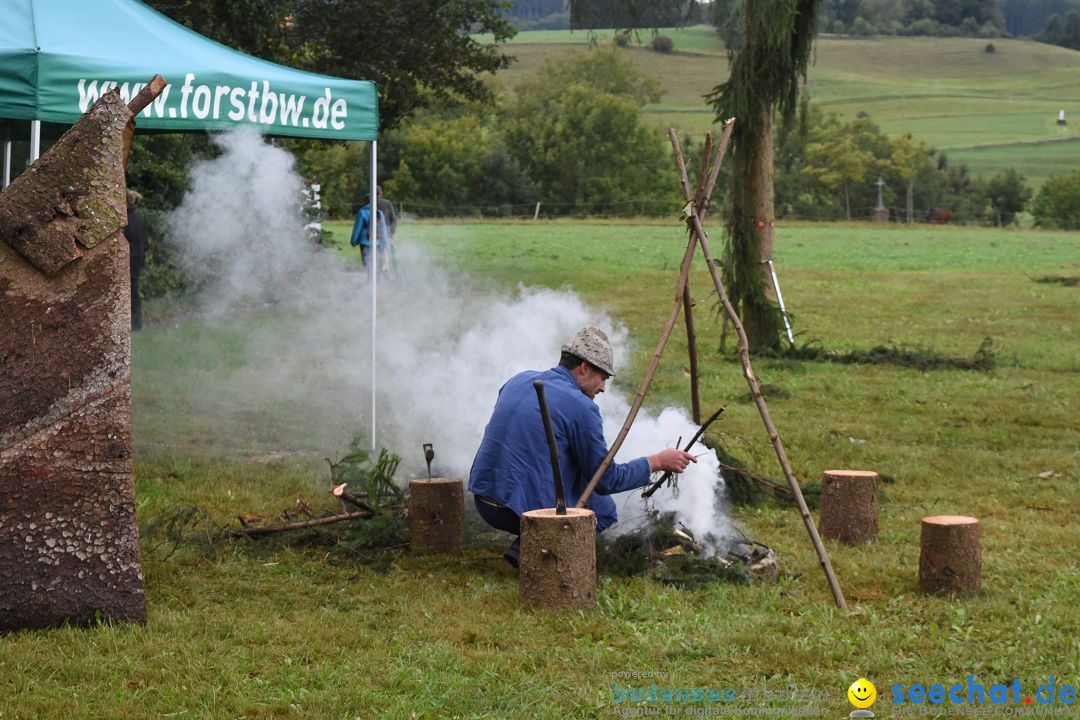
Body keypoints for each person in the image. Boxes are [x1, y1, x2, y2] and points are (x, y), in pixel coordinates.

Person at [468, 326, 696, 567]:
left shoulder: (518, 379)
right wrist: (657, 462)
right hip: (517, 513)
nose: (603, 388)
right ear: (584, 368)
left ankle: (527, 541)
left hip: (484, 499)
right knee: (603, 510)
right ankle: (541, 545)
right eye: (603, 378)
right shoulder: (581, 406)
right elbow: (606, 480)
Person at [122, 190, 149, 331]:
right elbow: (145, 244)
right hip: (137, 262)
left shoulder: (125, 220)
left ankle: (133, 325)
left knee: (129, 294)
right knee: (134, 293)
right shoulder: (139, 218)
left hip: (129, 261)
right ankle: (136, 324)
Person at [349, 193, 389, 270]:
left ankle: (370, 281)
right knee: (376, 264)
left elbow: (357, 228)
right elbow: (384, 229)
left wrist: (353, 241)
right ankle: (377, 281)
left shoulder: (362, 212)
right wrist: (384, 242)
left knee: (368, 265)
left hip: (365, 243)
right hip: (378, 242)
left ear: (365, 201)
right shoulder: (379, 212)